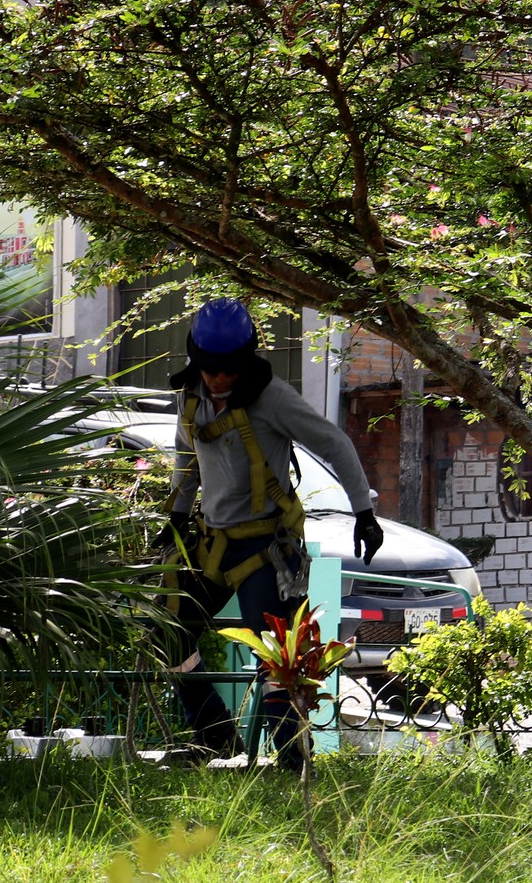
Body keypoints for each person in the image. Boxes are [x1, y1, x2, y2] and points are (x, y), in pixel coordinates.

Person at [158, 297, 384, 767]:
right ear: (196, 360)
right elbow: (186, 463)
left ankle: (292, 761)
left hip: (266, 547)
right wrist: (176, 517)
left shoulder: (273, 398)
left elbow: (336, 444)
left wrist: (364, 512)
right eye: (210, 368)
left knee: (279, 658)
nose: (219, 378)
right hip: (214, 544)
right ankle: (216, 735)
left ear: (247, 359)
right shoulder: (190, 399)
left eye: (229, 369)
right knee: (168, 632)